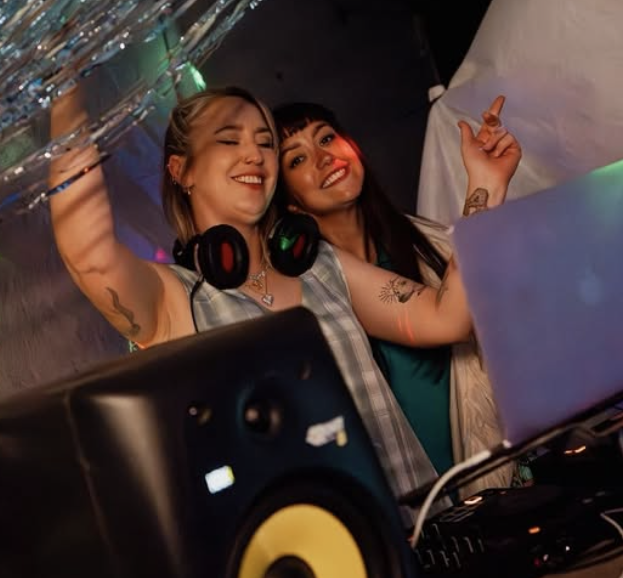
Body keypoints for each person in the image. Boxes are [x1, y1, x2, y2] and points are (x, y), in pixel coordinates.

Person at [49, 84, 508, 509]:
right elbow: (89, 256)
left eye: (265, 142)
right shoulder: (175, 300)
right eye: (229, 140)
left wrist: (484, 187)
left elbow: (447, 318)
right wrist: (67, 86)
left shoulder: (321, 265)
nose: (255, 154)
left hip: (421, 539)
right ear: (181, 169)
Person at [273, 97, 524, 487]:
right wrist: (484, 185)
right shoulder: (317, 287)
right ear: (288, 201)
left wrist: (488, 180)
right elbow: (450, 319)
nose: (323, 157)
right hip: (425, 522)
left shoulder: (431, 243)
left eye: (326, 138)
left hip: (500, 491)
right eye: (297, 159)